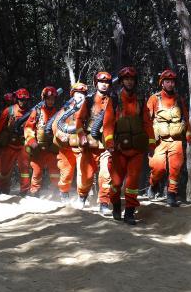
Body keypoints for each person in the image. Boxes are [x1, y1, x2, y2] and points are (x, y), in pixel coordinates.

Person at [109, 66, 153, 225]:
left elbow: (147, 122)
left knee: (132, 183)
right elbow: (108, 122)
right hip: (119, 149)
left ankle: (129, 212)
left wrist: (151, 143)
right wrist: (109, 141)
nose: (129, 81)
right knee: (115, 183)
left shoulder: (140, 99)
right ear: (121, 81)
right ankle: (115, 205)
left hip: (136, 149)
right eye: (126, 79)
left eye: (132, 79)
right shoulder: (114, 99)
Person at [144, 69, 191, 207]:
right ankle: (153, 184)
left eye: (172, 82)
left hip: (176, 140)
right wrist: (148, 139)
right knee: (158, 168)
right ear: (162, 83)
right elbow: (146, 120)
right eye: (167, 81)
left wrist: (189, 134)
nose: (170, 84)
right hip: (159, 140)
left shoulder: (179, 99)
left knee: (175, 168)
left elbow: (186, 118)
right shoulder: (154, 99)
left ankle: (172, 194)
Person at [74, 71, 116, 214]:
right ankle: (82, 196)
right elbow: (79, 120)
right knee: (86, 176)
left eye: (107, 82)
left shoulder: (114, 100)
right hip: (90, 144)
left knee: (106, 175)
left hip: (106, 145)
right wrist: (81, 135)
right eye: (101, 82)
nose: (104, 85)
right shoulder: (89, 100)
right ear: (96, 83)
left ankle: (104, 202)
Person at [0, 88, 32, 195]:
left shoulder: (31, 112)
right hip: (9, 145)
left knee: (25, 169)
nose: (23, 102)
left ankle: (24, 191)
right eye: (21, 99)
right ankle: (3, 189)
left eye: (25, 100)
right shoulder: (8, 111)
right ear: (17, 99)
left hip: (23, 144)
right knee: (5, 170)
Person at [52, 82, 88, 203]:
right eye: (78, 93)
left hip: (82, 147)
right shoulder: (66, 109)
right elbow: (55, 125)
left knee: (84, 173)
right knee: (66, 172)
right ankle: (64, 193)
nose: (80, 95)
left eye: (83, 93)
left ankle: (82, 197)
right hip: (66, 148)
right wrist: (61, 135)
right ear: (73, 95)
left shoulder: (89, 108)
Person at [24, 86, 61, 196]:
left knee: (55, 171)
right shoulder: (37, 112)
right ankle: (34, 191)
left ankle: (56, 191)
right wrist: (31, 141)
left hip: (51, 149)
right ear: (44, 98)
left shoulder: (58, 113)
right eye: (48, 99)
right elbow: (28, 127)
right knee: (37, 171)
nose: (51, 101)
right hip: (38, 148)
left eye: (53, 99)